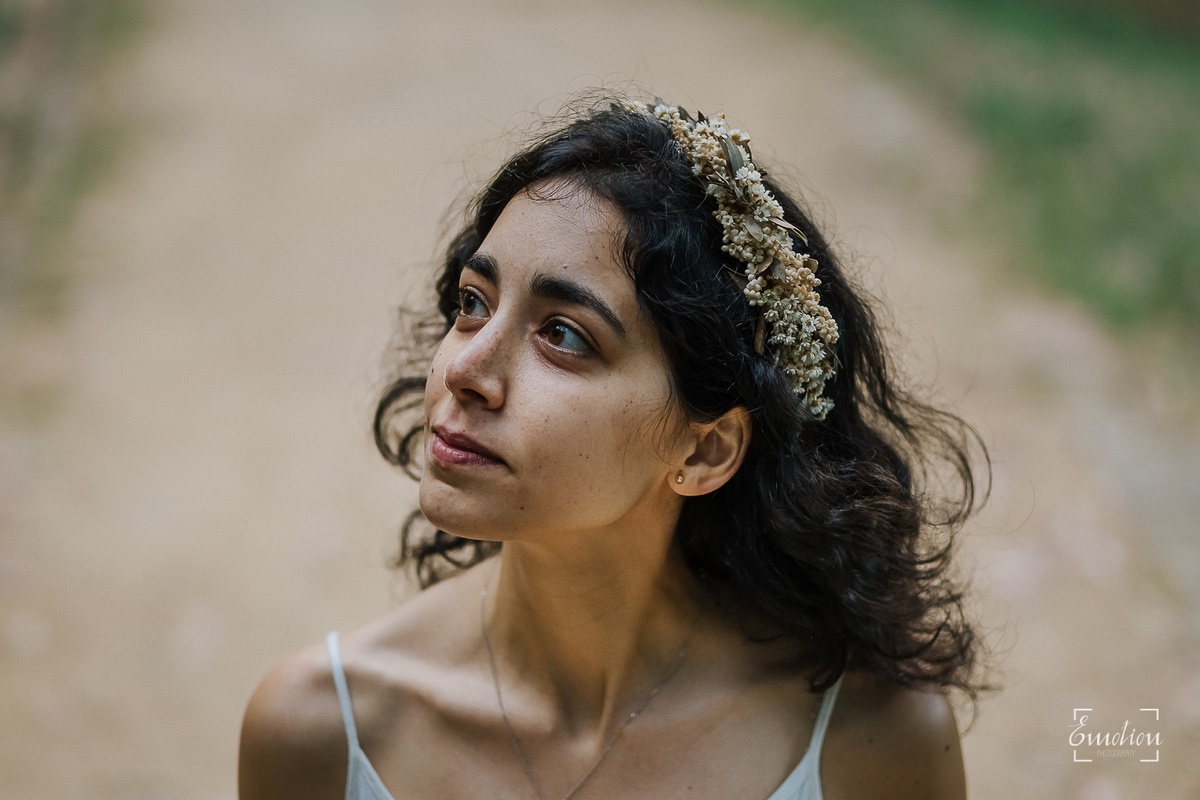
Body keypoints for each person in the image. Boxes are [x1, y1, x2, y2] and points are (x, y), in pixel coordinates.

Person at [238, 98, 987, 800]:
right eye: (473, 303)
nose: (464, 369)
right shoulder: (323, 732)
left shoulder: (872, 743)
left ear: (705, 450)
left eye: (564, 335)